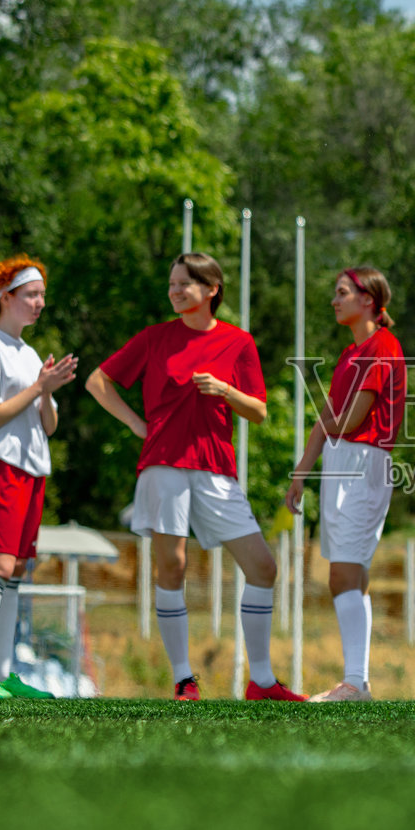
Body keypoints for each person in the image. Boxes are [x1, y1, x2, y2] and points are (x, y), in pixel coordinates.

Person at [87, 252, 305, 702]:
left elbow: (260, 411)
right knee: (174, 567)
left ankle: (261, 682)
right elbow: (98, 382)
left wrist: (225, 390)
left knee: (263, 567)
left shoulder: (238, 342)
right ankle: (184, 679)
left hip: (216, 469)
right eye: (171, 283)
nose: (174, 291)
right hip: (163, 463)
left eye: (184, 283)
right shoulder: (154, 337)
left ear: (211, 290)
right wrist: (135, 424)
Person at [285, 268, 406, 702]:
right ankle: (358, 681)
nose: (335, 300)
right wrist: (302, 471)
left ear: (369, 300)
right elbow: (331, 418)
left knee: (343, 573)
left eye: (342, 293)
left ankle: (354, 682)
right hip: (342, 461)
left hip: (364, 461)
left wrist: (328, 427)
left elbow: (349, 417)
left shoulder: (384, 346)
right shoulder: (349, 354)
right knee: (349, 572)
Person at [0, 257, 79, 699]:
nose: (39, 303)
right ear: (4, 297)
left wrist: (45, 390)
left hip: (31, 467)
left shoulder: (28, 354)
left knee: (16, 571)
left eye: (42, 295)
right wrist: (37, 387)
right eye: (31, 294)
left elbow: (48, 426)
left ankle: (4, 674)